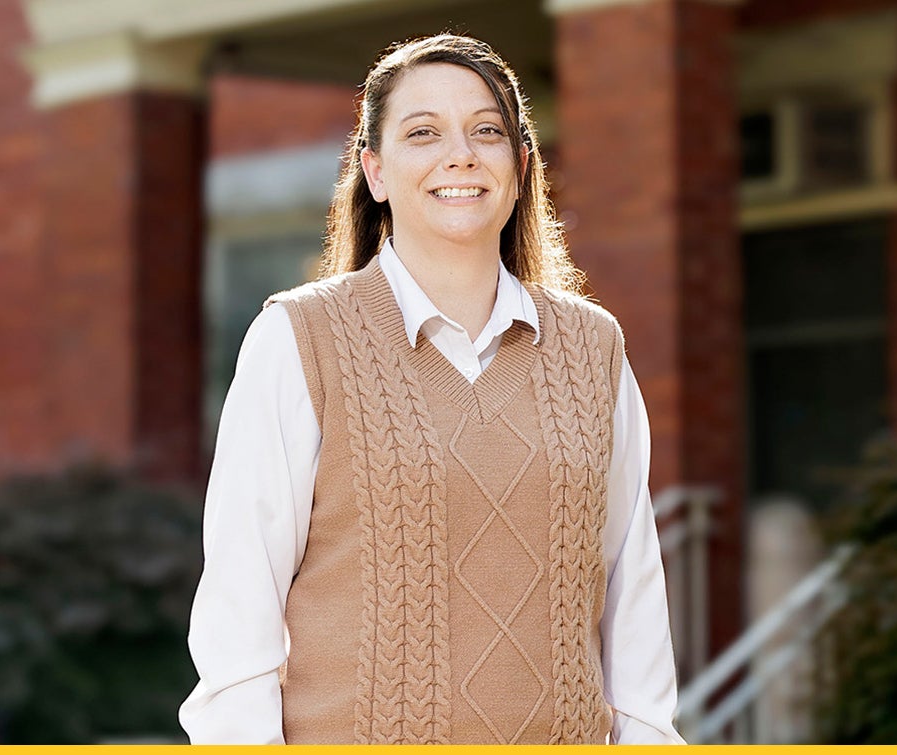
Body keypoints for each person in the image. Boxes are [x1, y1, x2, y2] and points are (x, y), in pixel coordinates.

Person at [177, 33, 683, 745]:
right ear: (375, 171)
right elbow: (239, 608)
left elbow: (634, 596)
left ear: (522, 166)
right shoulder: (299, 339)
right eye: (423, 133)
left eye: (487, 132)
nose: (461, 155)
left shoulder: (593, 346)